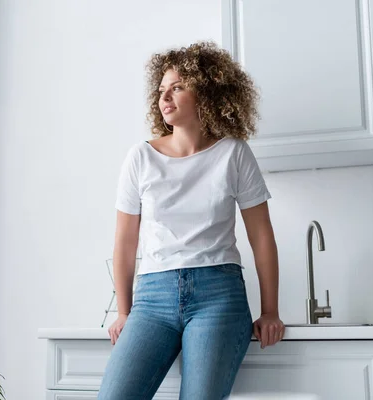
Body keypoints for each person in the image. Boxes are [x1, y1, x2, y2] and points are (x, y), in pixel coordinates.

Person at [97, 42, 285, 400]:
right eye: (161, 90)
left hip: (219, 297)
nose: (164, 97)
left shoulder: (234, 153)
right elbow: (124, 241)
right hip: (152, 299)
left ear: (207, 91)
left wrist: (270, 310)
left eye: (177, 87)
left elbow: (261, 236)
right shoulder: (140, 157)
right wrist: (124, 312)